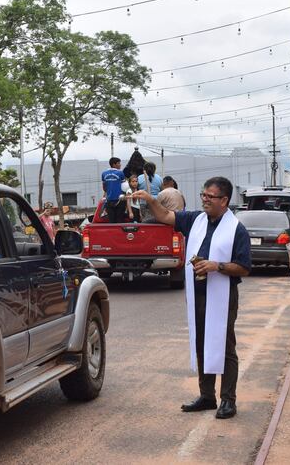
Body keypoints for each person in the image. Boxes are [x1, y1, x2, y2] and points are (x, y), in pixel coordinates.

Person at [132, 177, 251, 419]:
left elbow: (244, 267)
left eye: (211, 196)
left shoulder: (236, 229)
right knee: (201, 343)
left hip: (223, 295)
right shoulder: (195, 219)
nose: (205, 199)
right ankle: (207, 396)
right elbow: (166, 216)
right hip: (197, 293)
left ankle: (229, 399)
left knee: (225, 345)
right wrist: (150, 199)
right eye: (203, 194)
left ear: (224, 200)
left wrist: (217, 266)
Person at [102, 157, 126, 223]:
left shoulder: (104, 173)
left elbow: (104, 187)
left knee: (111, 220)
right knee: (120, 220)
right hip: (120, 200)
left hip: (109, 200)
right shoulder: (120, 173)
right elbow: (124, 187)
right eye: (118, 163)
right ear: (114, 164)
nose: (120, 165)